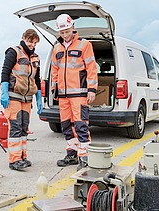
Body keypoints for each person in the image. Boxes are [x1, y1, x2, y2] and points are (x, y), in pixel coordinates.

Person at [51, 14, 98, 170]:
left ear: (73, 28)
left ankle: (84, 157)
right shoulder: (56, 48)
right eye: (62, 32)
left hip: (79, 93)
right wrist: (54, 89)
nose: (65, 34)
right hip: (63, 95)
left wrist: (91, 89)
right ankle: (72, 153)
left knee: (81, 125)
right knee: (66, 125)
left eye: (67, 31)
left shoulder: (85, 45)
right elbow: (54, 70)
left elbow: (91, 68)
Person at [0, 29, 43, 171]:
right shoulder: (14, 52)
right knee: (16, 127)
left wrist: (39, 97)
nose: (33, 45)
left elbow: (36, 78)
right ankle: (14, 160)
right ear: (23, 38)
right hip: (13, 95)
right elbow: (5, 72)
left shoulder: (36, 57)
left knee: (24, 127)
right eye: (30, 41)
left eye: (35, 42)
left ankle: (23, 156)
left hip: (27, 97)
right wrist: (4, 92)